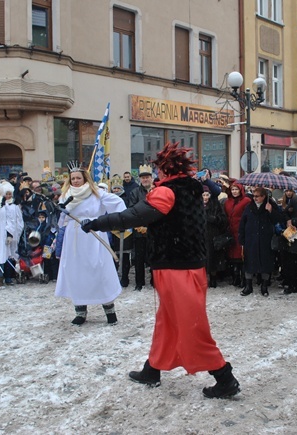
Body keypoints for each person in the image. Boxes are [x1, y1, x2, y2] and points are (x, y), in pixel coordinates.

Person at [82, 142, 241, 399]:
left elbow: (133, 216)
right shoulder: (191, 188)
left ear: (165, 169)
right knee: (166, 322)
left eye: (158, 169)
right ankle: (152, 369)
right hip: (188, 266)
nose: (156, 174)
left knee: (191, 326)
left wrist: (98, 223)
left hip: (176, 269)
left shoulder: (166, 192)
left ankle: (224, 378)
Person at [55, 160, 126, 326]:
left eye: (78, 178)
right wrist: (60, 212)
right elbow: (61, 220)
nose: (75, 181)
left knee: (99, 269)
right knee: (76, 272)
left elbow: (117, 203)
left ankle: (109, 310)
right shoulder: (66, 196)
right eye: (73, 179)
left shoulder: (96, 194)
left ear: (85, 179)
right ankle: (80, 311)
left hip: (93, 234)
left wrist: (119, 220)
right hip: (74, 236)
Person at [238, 187, 283, 297]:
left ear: (264, 196)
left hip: (265, 239)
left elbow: (279, 219)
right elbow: (242, 224)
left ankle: (264, 286)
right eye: (253, 196)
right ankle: (248, 286)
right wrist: (242, 239)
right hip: (251, 239)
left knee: (265, 263)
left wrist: (271, 211)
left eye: (257, 196)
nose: (254, 198)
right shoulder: (249, 207)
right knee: (249, 263)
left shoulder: (270, 205)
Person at [128, 164, 154, 291]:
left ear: (151, 178)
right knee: (139, 258)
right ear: (140, 179)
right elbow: (133, 210)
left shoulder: (157, 190)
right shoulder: (135, 192)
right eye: (143, 178)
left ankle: (155, 281)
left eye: (147, 177)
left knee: (155, 257)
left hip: (154, 230)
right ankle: (139, 283)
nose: (145, 180)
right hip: (139, 230)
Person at [223, 181, 251, 288]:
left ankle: (244, 279)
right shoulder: (227, 202)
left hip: (242, 231)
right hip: (231, 232)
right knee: (233, 257)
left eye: (236, 189)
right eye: (233, 189)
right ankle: (236, 277)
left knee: (242, 256)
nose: (234, 192)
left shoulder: (246, 201)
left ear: (240, 190)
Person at [202, 185, 228, 288]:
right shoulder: (197, 206)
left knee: (213, 258)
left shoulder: (215, 205)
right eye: (203, 195)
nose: (205, 197)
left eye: (207, 195)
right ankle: (204, 279)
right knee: (203, 258)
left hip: (213, 234)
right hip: (201, 236)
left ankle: (213, 278)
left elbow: (223, 220)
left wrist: (213, 219)